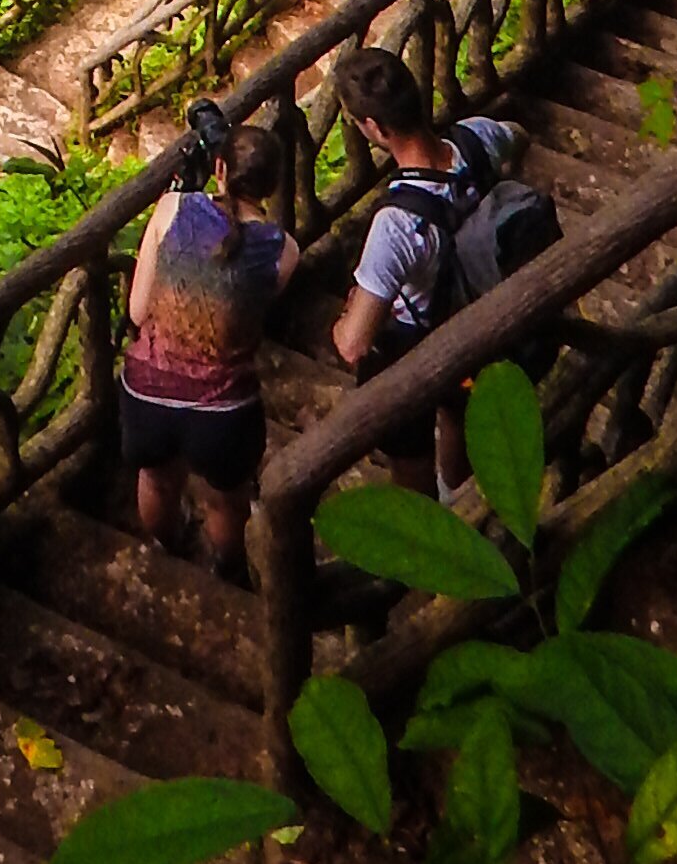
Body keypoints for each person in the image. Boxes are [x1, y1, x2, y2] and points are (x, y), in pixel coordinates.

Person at [327, 46, 535, 488]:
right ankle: (460, 488)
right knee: (461, 408)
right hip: (482, 316)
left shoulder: (397, 225)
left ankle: (429, 503)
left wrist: (342, 324)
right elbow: (518, 135)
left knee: (409, 454)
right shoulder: (476, 137)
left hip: (419, 345)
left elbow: (354, 346)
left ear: (374, 128)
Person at [118, 117, 300, 578]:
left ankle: (166, 545)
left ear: (218, 167)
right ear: (274, 185)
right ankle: (228, 567)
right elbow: (255, 304)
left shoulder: (171, 210)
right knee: (226, 498)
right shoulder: (283, 249)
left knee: (156, 480)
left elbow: (138, 313)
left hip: (146, 392)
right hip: (223, 410)